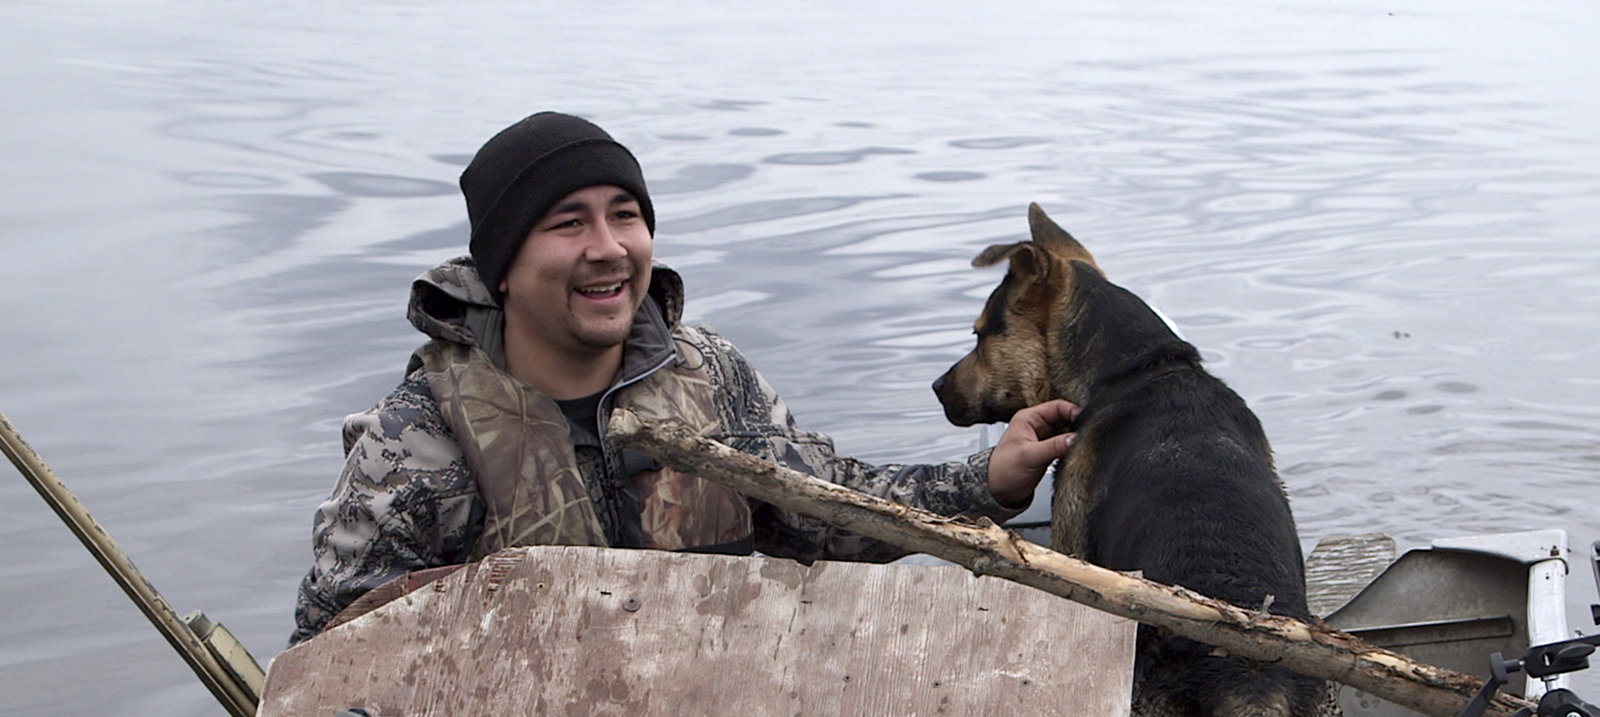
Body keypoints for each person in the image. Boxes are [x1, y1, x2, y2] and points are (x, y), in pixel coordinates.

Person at [291, 113, 1076, 644]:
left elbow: (828, 513)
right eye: (568, 223)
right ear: (501, 268)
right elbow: (330, 655)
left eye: (625, 215)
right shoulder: (418, 437)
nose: (608, 247)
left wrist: (989, 481)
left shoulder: (711, 375)